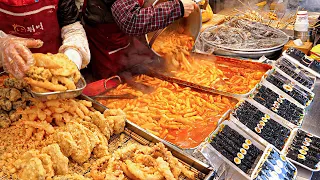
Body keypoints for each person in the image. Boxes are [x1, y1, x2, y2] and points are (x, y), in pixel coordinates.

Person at [82, 0, 197, 79]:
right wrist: (178, 8)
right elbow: (131, 21)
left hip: (126, 37)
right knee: (113, 83)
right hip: (107, 41)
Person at [0, 0, 90, 78]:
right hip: (7, 69)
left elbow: (71, 27)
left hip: (54, 67)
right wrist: (3, 42)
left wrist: (72, 55)